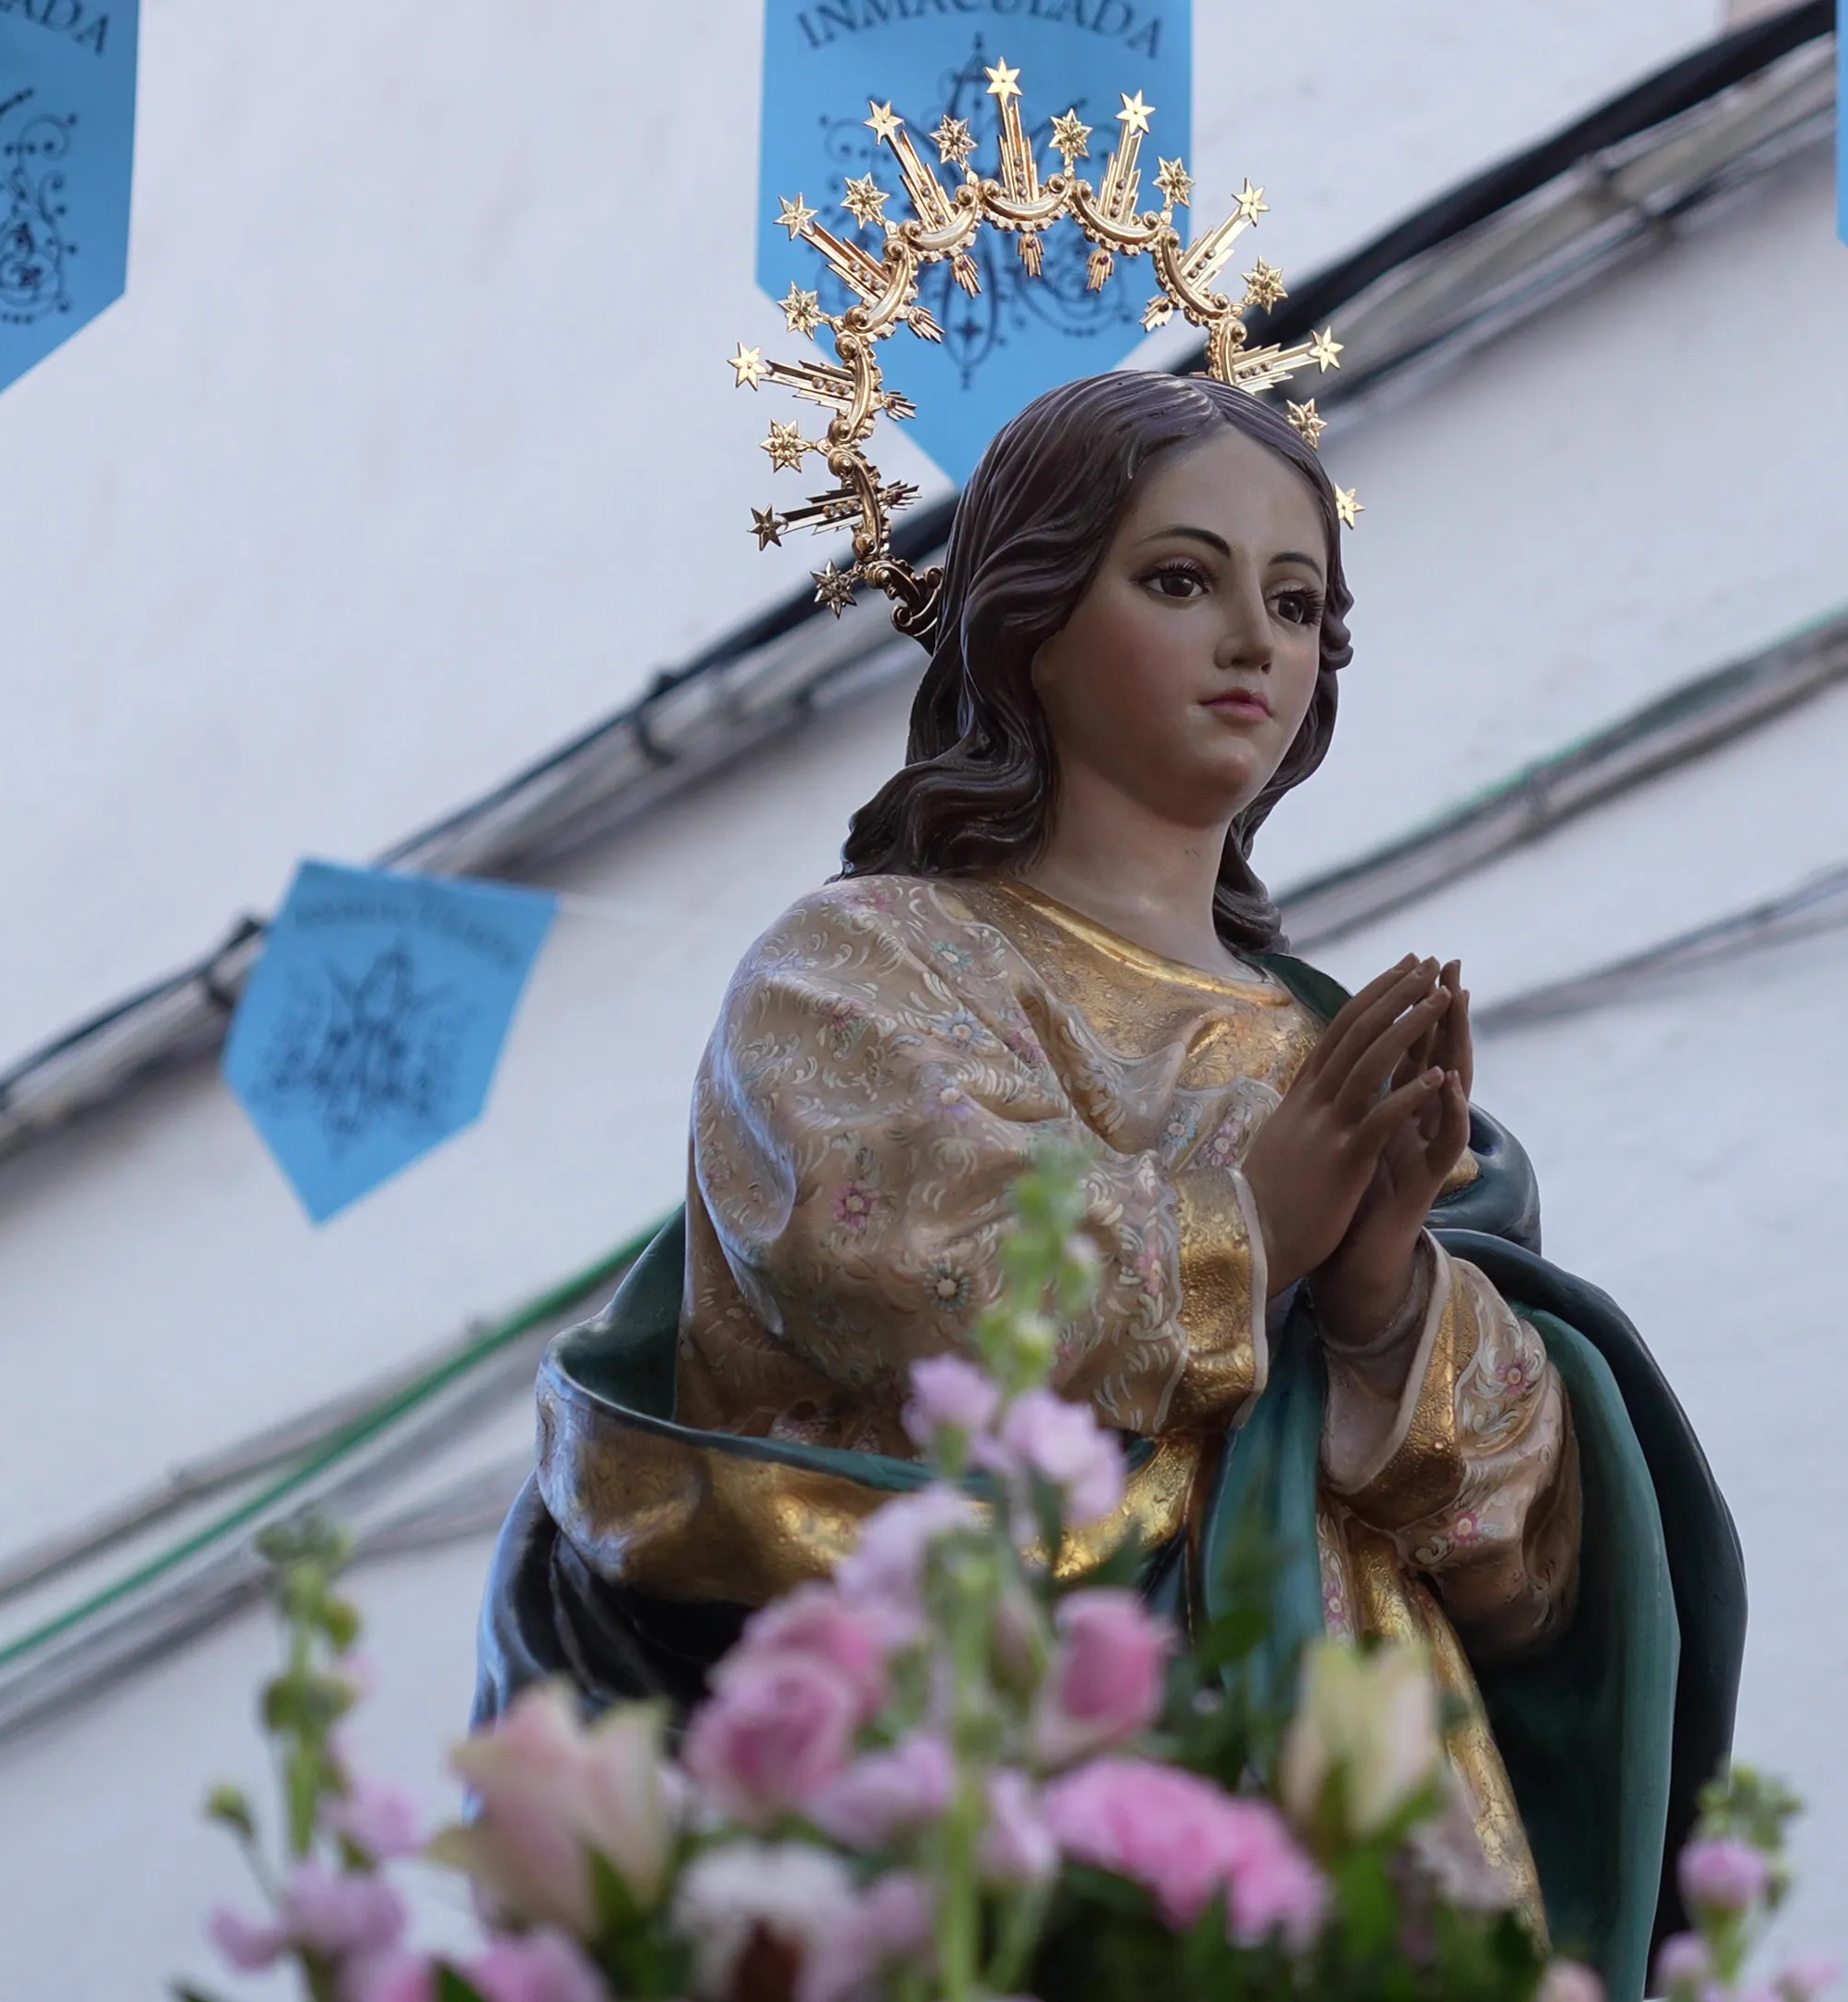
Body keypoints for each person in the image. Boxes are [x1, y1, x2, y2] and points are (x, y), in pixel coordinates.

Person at [478, 368, 1740, 1987]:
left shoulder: (1326, 1046)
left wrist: (1383, 1304)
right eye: (1180, 580)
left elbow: (1532, 1571)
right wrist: (1248, 1230)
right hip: (1018, 1778)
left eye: (1297, 603)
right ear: (1032, 622)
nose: (1253, 642)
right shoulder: (859, 969)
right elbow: (907, 1272)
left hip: (1375, 1801)